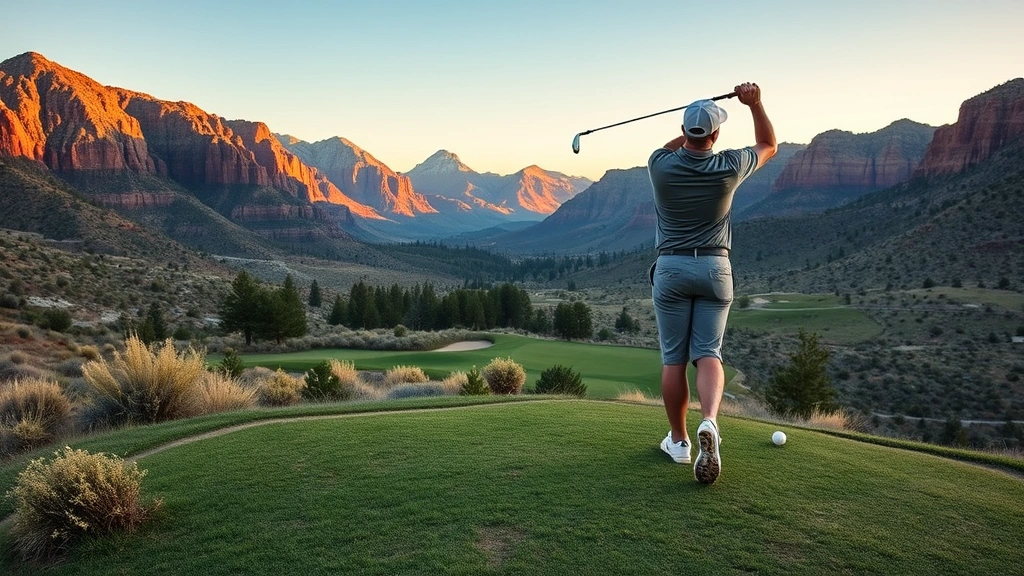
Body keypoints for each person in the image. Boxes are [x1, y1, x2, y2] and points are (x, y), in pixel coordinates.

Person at [648, 82, 776, 484]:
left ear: (685, 130)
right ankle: (709, 422)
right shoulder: (730, 166)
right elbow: (768, 143)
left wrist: (691, 128)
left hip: (670, 269)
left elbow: (672, 148)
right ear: (717, 135)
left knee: (674, 359)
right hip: (716, 270)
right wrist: (754, 104)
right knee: (709, 353)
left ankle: (680, 441)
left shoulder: (659, 165)